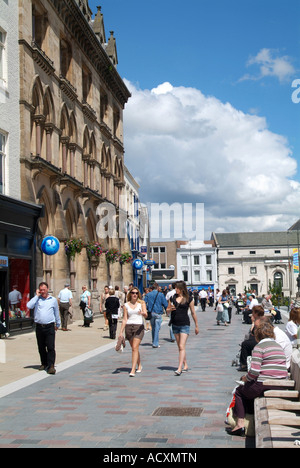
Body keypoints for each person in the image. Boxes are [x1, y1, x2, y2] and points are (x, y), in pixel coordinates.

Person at [227, 321, 288, 436]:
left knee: (240, 392)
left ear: (257, 335)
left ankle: (240, 424)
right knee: (249, 391)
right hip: (281, 384)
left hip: (265, 384)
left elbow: (254, 372)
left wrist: (245, 378)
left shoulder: (259, 347)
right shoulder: (278, 346)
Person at [27, 282, 61, 375]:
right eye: (41, 290)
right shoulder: (37, 299)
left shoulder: (52, 300)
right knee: (41, 347)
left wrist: (58, 324)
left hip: (49, 326)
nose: (42, 291)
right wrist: (36, 296)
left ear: (47, 289)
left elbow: (56, 312)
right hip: (39, 326)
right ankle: (44, 363)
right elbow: (29, 306)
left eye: (44, 289)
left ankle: (51, 366)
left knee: (50, 346)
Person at [167, 280, 199, 375]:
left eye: (176, 288)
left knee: (181, 346)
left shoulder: (188, 298)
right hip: (175, 324)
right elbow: (167, 310)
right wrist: (169, 309)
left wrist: (196, 325)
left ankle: (179, 368)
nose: (175, 289)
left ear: (181, 289)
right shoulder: (172, 297)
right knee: (180, 347)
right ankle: (185, 364)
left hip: (185, 324)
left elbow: (193, 312)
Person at [119, 287, 147, 377]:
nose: (134, 294)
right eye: (133, 293)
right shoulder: (126, 305)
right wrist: (120, 332)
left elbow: (146, 314)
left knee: (135, 347)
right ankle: (139, 365)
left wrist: (142, 313)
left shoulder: (141, 303)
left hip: (138, 327)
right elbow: (124, 319)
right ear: (130, 294)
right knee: (134, 348)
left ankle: (132, 369)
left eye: (136, 293)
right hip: (129, 327)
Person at [237, 305, 265, 372]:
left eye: (253, 312)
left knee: (245, 344)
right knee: (248, 341)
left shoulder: (257, 322)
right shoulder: (262, 319)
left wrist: (253, 322)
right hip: (260, 339)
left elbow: (253, 332)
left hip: (260, 340)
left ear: (256, 313)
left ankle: (244, 364)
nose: (252, 313)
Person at [144, 283, 168, 348]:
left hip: (151, 313)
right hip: (158, 312)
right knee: (157, 328)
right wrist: (167, 312)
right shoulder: (161, 295)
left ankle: (153, 340)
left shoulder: (148, 294)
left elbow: (144, 302)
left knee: (153, 327)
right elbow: (165, 304)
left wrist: (146, 308)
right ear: (157, 288)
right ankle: (155, 343)